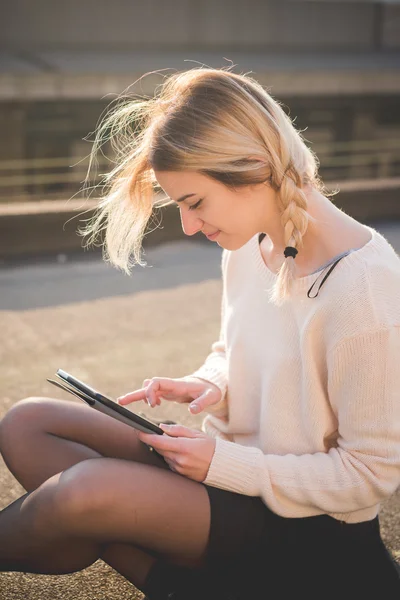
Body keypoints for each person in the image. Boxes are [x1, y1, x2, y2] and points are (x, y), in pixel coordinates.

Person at [0, 66, 399, 600]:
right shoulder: (251, 247)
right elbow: (234, 351)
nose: (188, 226)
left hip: (307, 528)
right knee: (28, 423)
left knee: (84, 493)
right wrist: (212, 381)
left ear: (254, 167)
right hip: (224, 477)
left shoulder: (365, 289)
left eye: (195, 203)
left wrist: (226, 464)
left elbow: (370, 474)